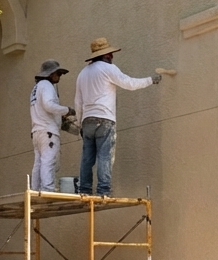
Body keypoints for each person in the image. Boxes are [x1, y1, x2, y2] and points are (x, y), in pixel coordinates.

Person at [74, 37, 161, 197]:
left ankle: (84, 190)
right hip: (105, 119)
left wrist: (80, 123)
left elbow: (78, 102)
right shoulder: (108, 69)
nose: (112, 57)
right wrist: (150, 80)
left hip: (87, 120)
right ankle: (103, 191)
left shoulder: (83, 73)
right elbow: (129, 83)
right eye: (110, 54)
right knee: (104, 155)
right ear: (105, 55)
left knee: (87, 157)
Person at [29, 59, 73, 192]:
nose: (59, 76)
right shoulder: (46, 85)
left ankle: (35, 190)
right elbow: (48, 105)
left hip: (37, 131)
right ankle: (47, 190)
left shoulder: (36, 88)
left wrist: (59, 116)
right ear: (51, 73)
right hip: (47, 131)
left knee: (39, 162)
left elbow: (43, 108)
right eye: (58, 73)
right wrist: (66, 110)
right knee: (48, 161)